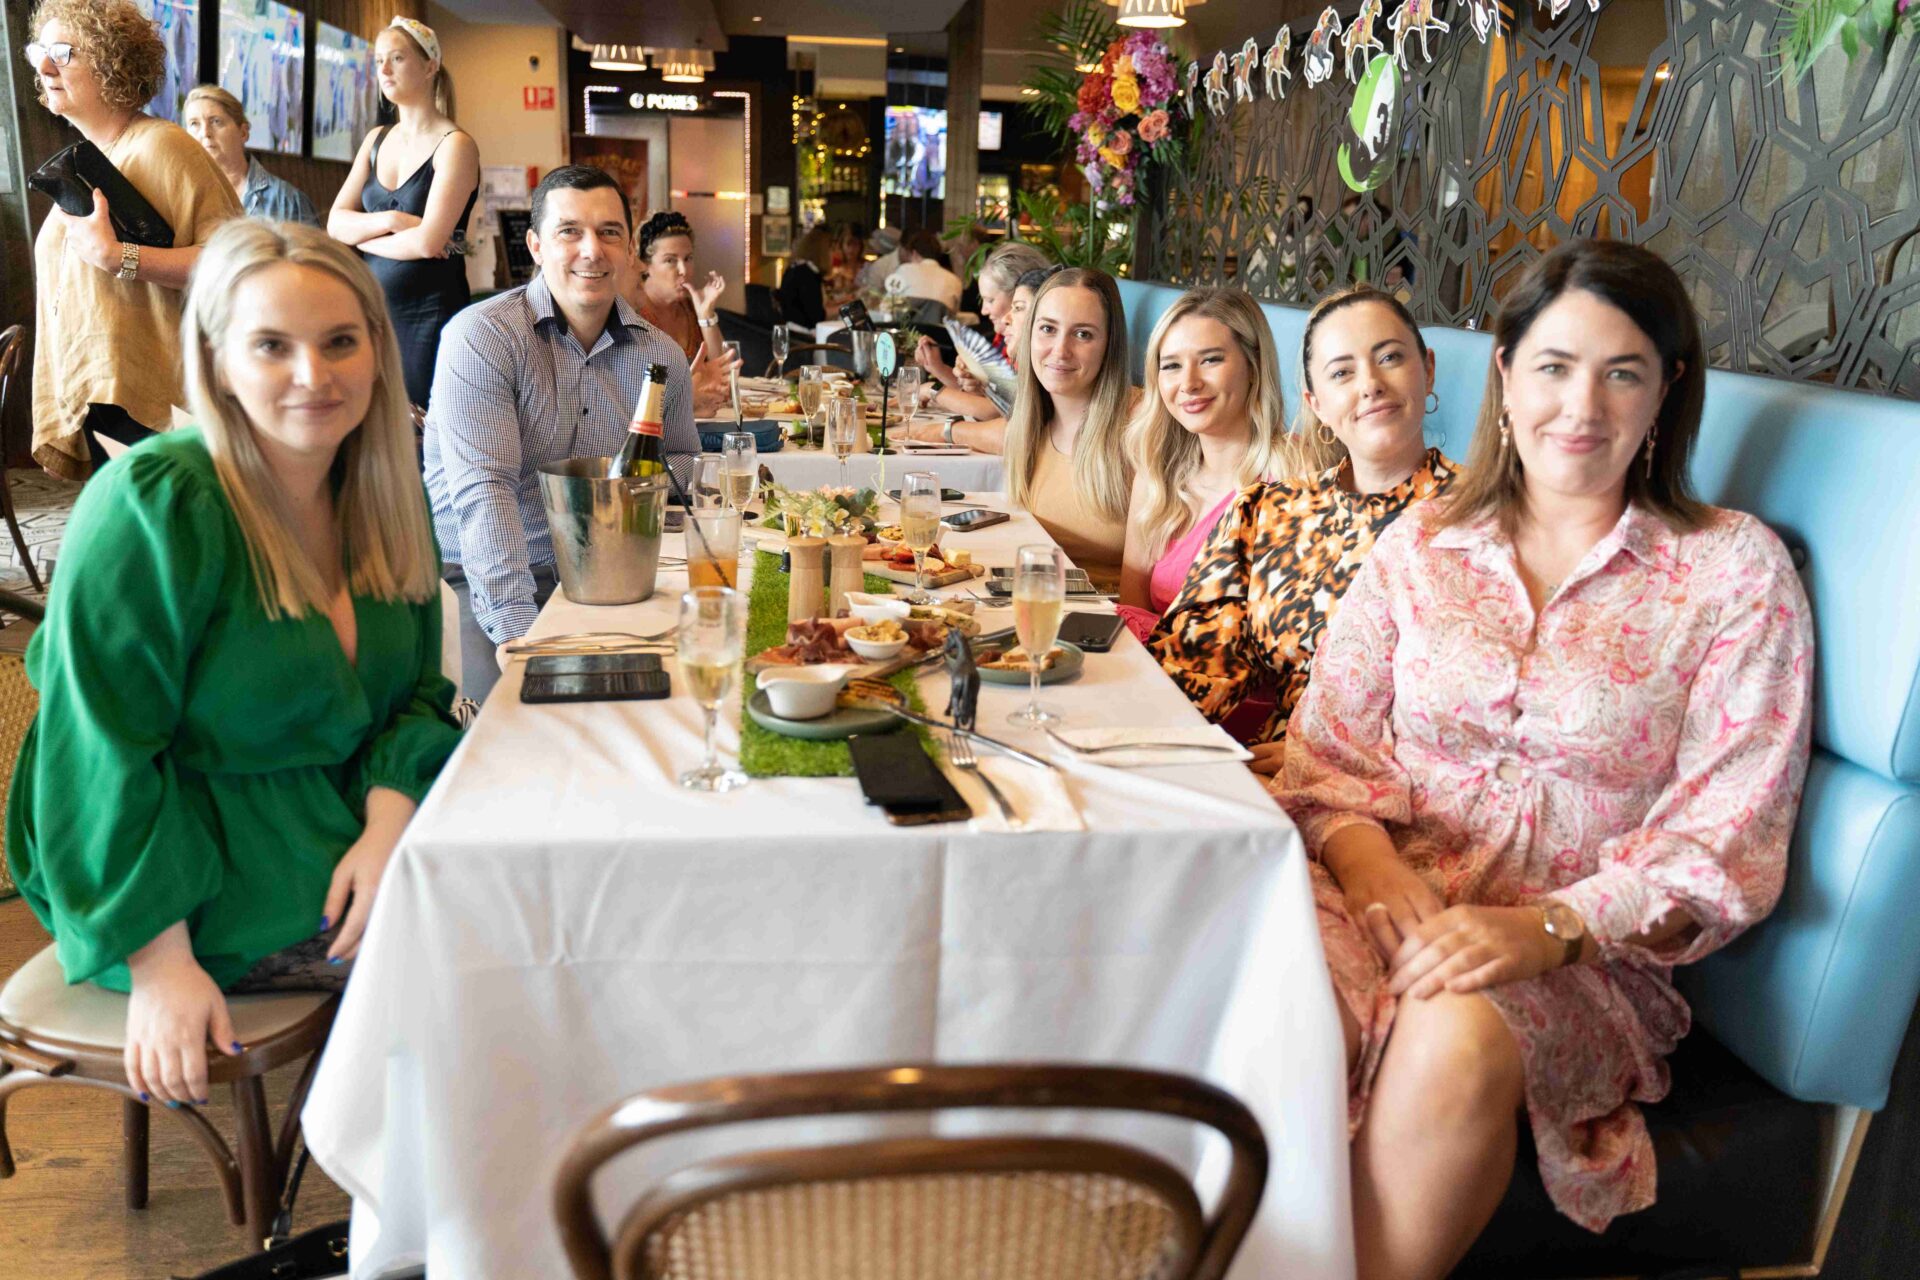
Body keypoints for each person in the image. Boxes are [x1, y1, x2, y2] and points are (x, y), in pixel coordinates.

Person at [1275, 240, 1814, 1280]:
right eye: (1555, 366)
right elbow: (1326, 747)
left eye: (1624, 373)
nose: (1583, 406)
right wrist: (1368, 863)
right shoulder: (1419, 544)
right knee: (1280, 1002)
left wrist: (1547, 930)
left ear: (1669, 391)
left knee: (1451, 1032)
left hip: (1583, 952)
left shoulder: (1730, 570)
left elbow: (1723, 839)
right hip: (1376, 891)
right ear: (1505, 374)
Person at [4, 219, 460, 1107]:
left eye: (340, 342)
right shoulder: (157, 501)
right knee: (500, 966)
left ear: (378, 351)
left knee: (556, 914)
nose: (313, 375)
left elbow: (415, 699)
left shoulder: (382, 498)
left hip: (343, 831)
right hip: (181, 866)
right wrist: (160, 962)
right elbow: (96, 749)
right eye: (271, 346)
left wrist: (387, 823)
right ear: (216, 361)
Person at [423, 166, 701, 703]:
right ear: (536, 245)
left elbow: (682, 463)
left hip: (607, 567)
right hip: (481, 574)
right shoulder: (482, 338)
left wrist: (640, 482)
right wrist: (517, 630)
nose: (592, 250)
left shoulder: (660, 355)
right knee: (515, 719)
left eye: (609, 232)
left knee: (667, 696)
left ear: (630, 250)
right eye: (569, 231)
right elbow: (485, 492)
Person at [1152, 284, 1458, 769]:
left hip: (1404, 785)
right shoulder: (1269, 510)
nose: (1370, 384)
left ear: (1428, 369)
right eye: (1342, 372)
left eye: (1390, 358)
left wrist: (1327, 754)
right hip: (1264, 779)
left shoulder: (1481, 520)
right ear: (1316, 403)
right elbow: (1188, 670)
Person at [26, 0, 241, 478]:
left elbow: (235, 262)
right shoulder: (89, 159)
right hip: (104, 393)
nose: (44, 67)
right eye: (39, 52)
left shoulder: (163, 145)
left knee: (169, 518)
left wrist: (118, 257)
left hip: (158, 402)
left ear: (112, 62)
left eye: (63, 53)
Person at [1116, 289, 1293, 653]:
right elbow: (1132, 612)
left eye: (1210, 360)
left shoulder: (1291, 477)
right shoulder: (1158, 473)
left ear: (1253, 367)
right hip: (1150, 673)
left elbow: (1283, 639)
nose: (1189, 383)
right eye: (1171, 366)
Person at [327, 17, 478, 410]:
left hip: (430, 313)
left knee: (418, 429)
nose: (384, 70)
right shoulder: (375, 140)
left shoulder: (455, 145)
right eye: (379, 61)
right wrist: (392, 222)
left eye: (396, 58)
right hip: (372, 307)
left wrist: (364, 239)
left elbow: (428, 242)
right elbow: (335, 223)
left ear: (430, 66)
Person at [1001, 267, 1136, 591]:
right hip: (1037, 601)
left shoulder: (1140, 424)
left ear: (1109, 345)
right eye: (1048, 329)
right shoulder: (1029, 426)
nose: (1060, 350)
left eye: (1083, 334)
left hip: (1107, 615)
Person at [182, 84, 318, 225]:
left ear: (243, 133)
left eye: (216, 121)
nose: (205, 133)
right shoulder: (182, 198)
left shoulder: (287, 201)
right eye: (194, 124)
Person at [623, 210, 726, 364]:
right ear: (645, 264)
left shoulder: (692, 309)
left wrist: (706, 314)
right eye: (670, 260)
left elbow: (725, 369)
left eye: (688, 258)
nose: (683, 270)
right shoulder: (630, 312)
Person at [884, 229, 963, 316]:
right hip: (938, 325)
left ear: (914, 253)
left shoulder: (904, 270)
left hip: (905, 324)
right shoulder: (955, 280)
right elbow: (953, 316)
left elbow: (886, 308)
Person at [777, 227, 832, 329]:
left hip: (791, 327)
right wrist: (841, 309)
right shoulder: (808, 276)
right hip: (802, 332)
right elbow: (816, 317)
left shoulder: (795, 268)